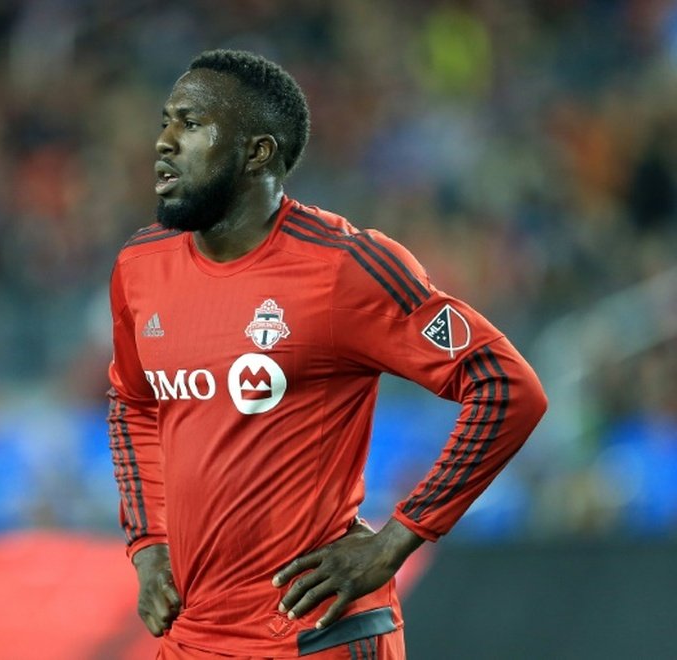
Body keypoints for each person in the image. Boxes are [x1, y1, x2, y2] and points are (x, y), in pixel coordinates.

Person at [106, 49, 547, 659]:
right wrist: (149, 542)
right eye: (165, 121)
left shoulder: (344, 267)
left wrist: (399, 537)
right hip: (194, 638)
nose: (163, 142)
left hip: (317, 635)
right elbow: (132, 402)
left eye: (190, 123)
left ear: (257, 152)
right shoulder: (140, 266)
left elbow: (506, 387)